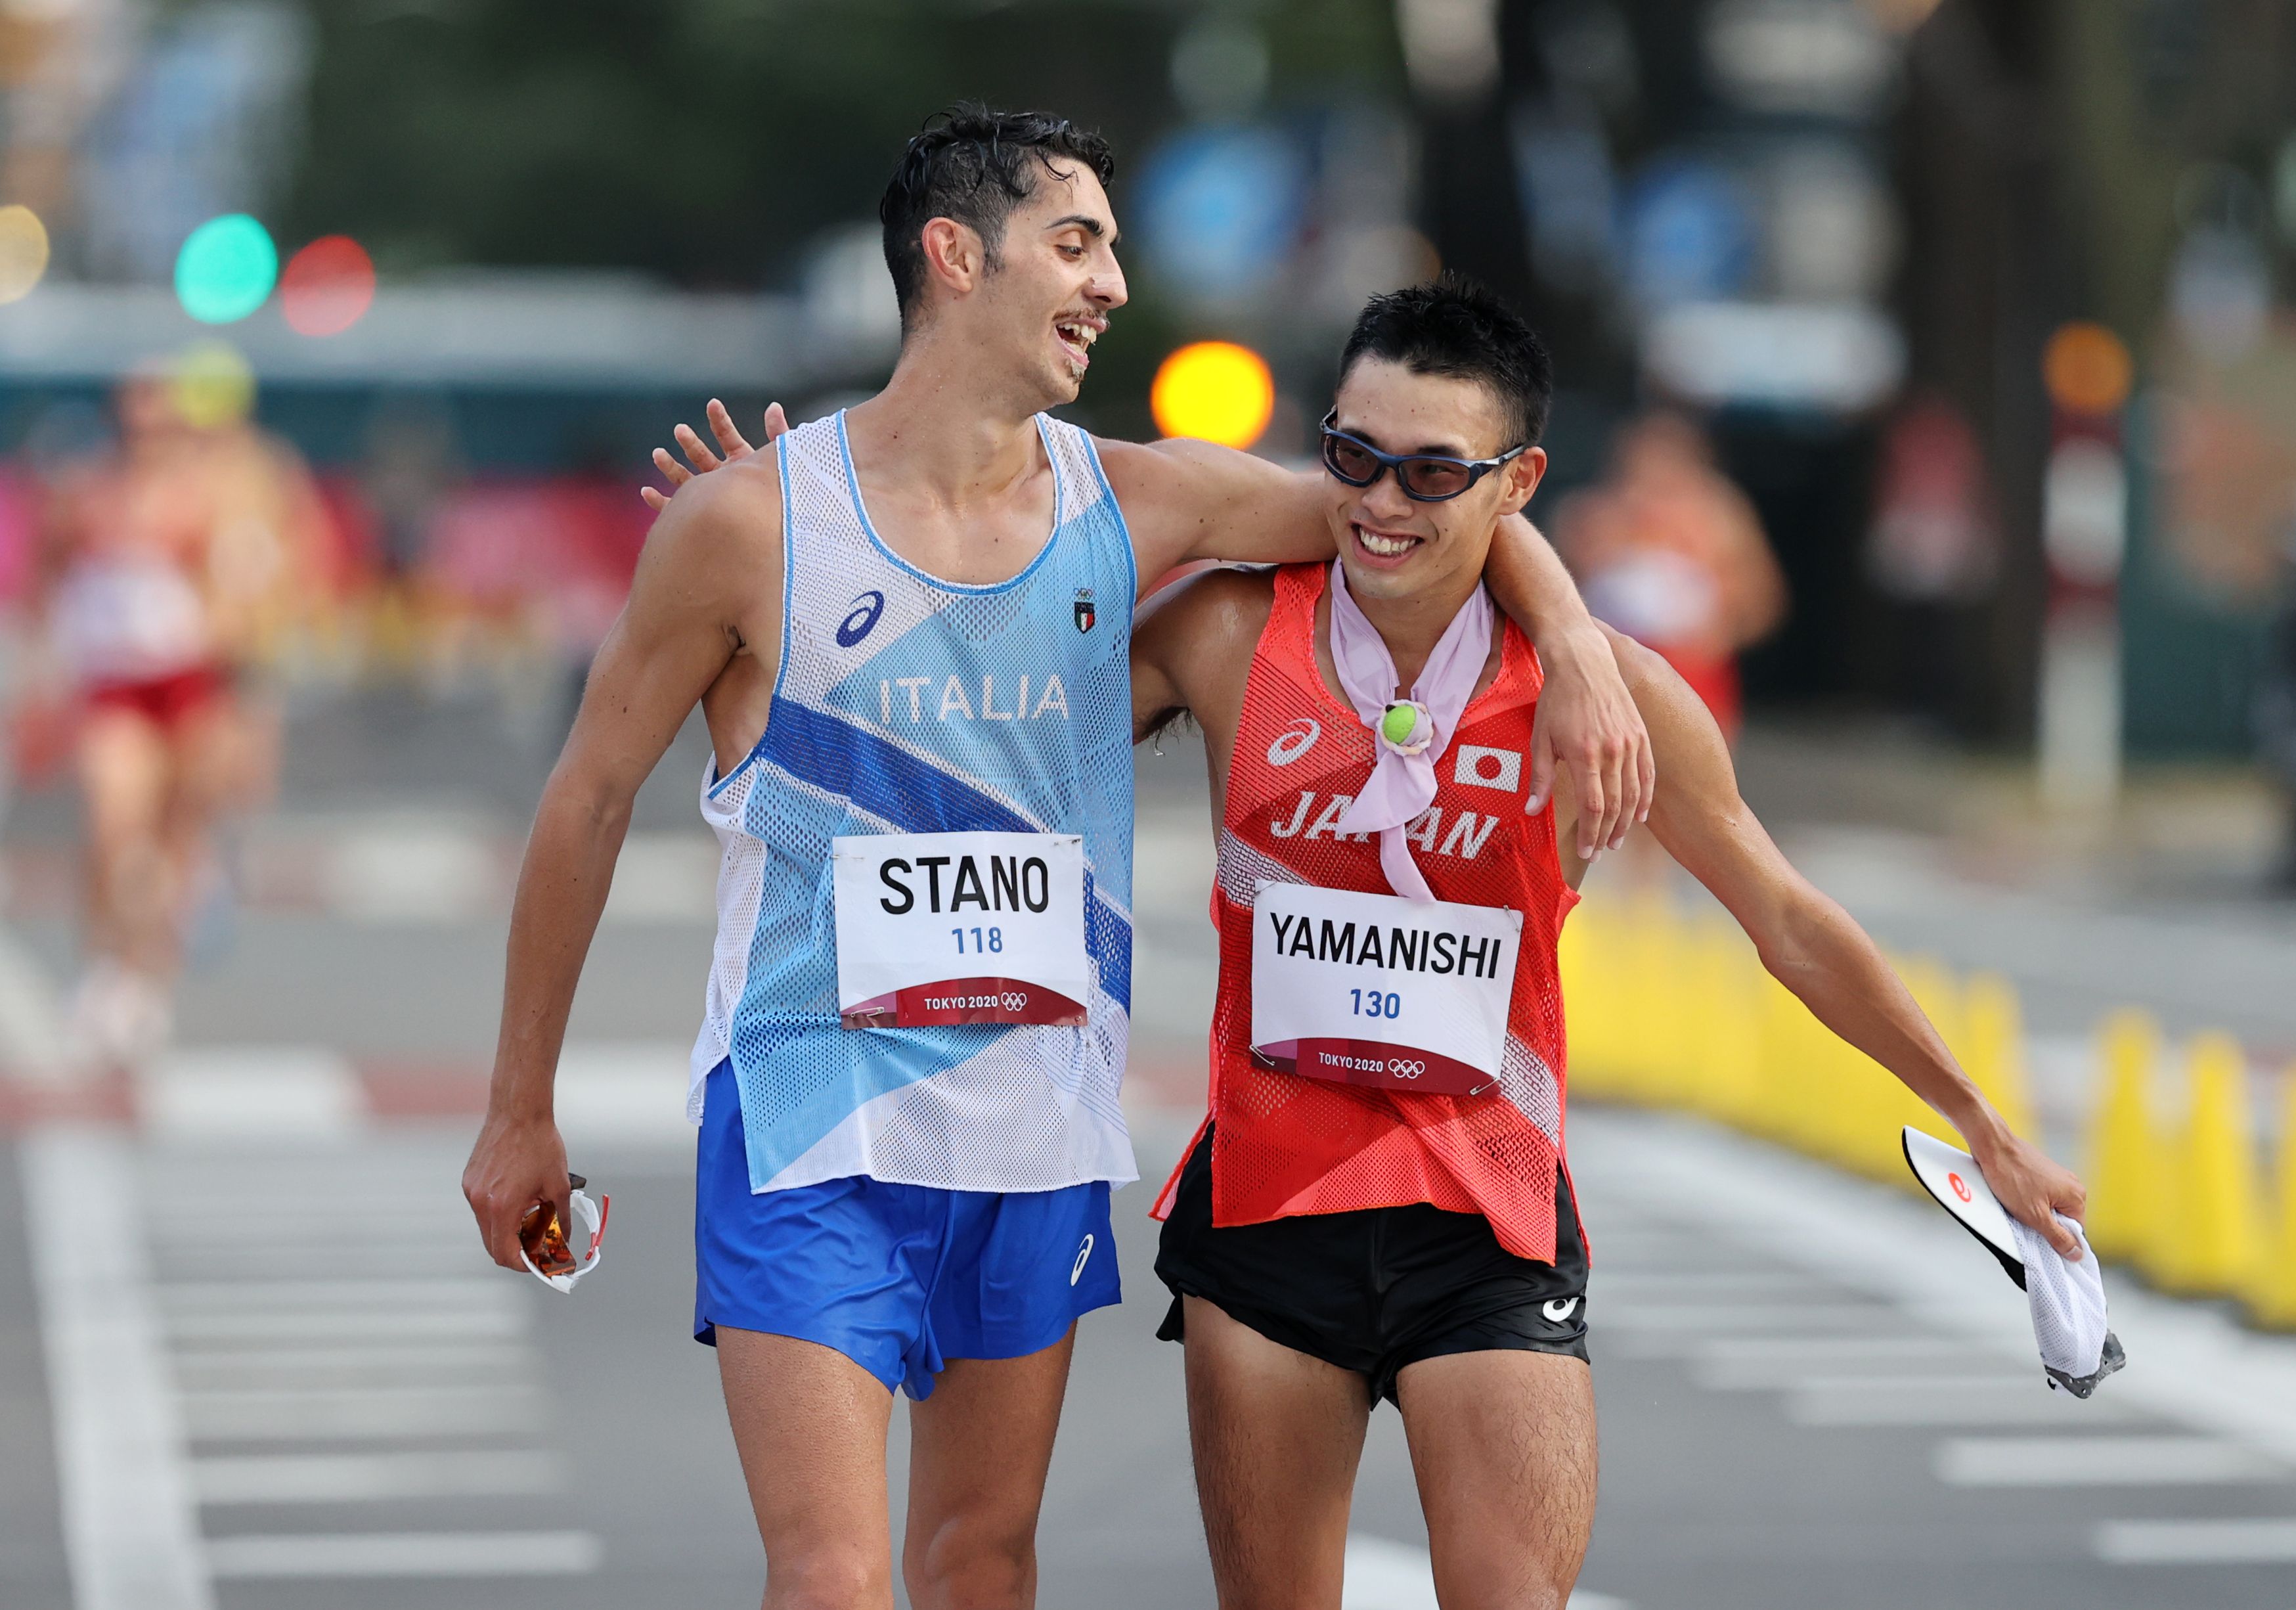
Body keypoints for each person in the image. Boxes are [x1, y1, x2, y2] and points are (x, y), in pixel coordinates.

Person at [460, 105, 1651, 1610]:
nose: (1112, 285)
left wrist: (1577, 651)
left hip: (1030, 1126)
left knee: (981, 1562)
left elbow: (1423, 503)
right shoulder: (747, 524)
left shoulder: (1139, 500)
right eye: (1076, 243)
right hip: (807, 1110)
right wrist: (518, 1110)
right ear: (956, 256)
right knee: (830, 1576)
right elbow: (582, 804)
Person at [1126, 278, 2085, 1610]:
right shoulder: (1225, 633)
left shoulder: (1611, 696)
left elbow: (1787, 920)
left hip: (1486, 1217)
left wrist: (1977, 1118)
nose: (1380, 503)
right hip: (1268, 1212)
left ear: (1514, 481)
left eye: (1428, 472)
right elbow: (993, 723)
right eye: (1352, 455)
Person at [32, 364, 331, 1062]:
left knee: (173, 841)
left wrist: (252, 628)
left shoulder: (224, 488)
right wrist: (49, 650)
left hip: (195, 683)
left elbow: (266, 572)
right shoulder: (88, 491)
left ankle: (144, 980)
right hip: (117, 687)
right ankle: (107, 964)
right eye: (134, 423)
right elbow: (49, 571)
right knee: (113, 823)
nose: (147, 437)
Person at [1553, 407, 1786, 737]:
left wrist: (1714, 632)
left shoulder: (1722, 516)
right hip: (1608, 676)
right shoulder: (1587, 517)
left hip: (1694, 677)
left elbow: (1762, 603)